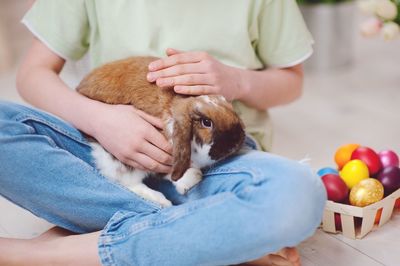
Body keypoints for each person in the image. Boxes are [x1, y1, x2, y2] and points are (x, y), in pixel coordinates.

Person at [0, 0, 327, 265]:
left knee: (298, 193)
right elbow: (32, 74)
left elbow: (291, 81)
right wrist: (100, 119)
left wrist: (238, 81)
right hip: (104, 153)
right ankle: (213, 237)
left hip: (212, 164)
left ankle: (45, 253)